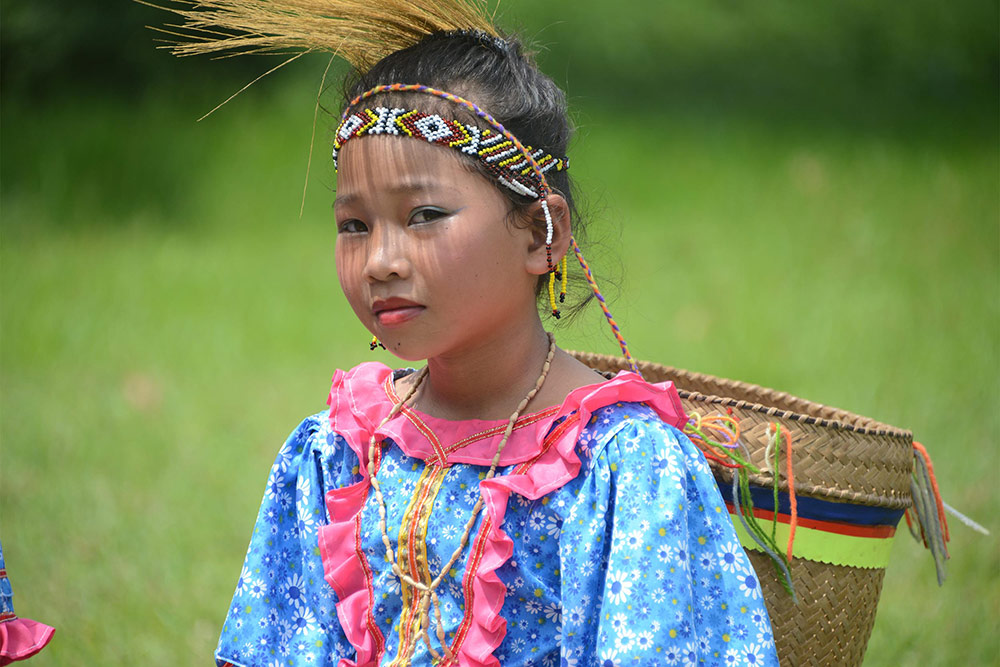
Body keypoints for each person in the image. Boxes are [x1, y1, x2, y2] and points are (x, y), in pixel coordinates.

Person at [156, 3, 780, 665]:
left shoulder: (622, 466)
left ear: (541, 233)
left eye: (424, 215)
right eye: (354, 225)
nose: (380, 261)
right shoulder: (341, 454)